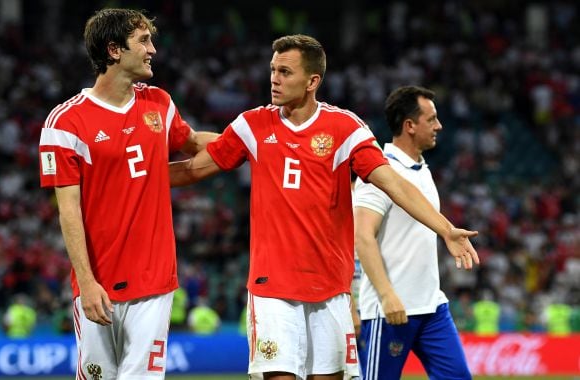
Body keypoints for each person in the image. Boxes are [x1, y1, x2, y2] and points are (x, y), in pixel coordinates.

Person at [170, 35, 479, 380]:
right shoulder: (253, 125)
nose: (274, 78)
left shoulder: (345, 128)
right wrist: (133, 177)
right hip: (272, 287)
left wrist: (445, 229)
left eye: (285, 72)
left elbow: (392, 183)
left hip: (330, 290)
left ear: (312, 81)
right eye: (273, 70)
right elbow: (195, 168)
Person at [38, 8, 217, 379]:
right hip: (98, 285)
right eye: (143, 41)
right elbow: (68, 211)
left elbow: (195, 144)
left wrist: (252, 139)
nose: (152, 49)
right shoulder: (65, 123)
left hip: (155, 280)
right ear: (114, 50)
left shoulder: (159, 104)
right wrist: (86, 284)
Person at [353, 86, 472, 380]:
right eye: (431, 119)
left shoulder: (421, 169)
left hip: (432, 306)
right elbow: (361, 236)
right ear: (409, 126)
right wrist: (387, 295)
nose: (439, 126)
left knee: (458, 376)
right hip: (391, 310)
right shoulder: (378, 173)